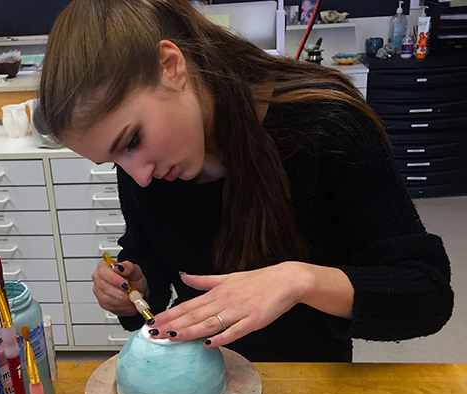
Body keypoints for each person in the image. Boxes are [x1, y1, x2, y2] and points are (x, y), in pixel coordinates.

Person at [38, 0, 453, 362]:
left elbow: (426, 294)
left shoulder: (327, 126)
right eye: (113, 160)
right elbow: (152, 261)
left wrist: (298, 280)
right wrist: (133, 286)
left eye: (131, 142)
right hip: (202, 376)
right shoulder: (149, 165)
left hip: (308, 383)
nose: (138, 176)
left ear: (171, 66)